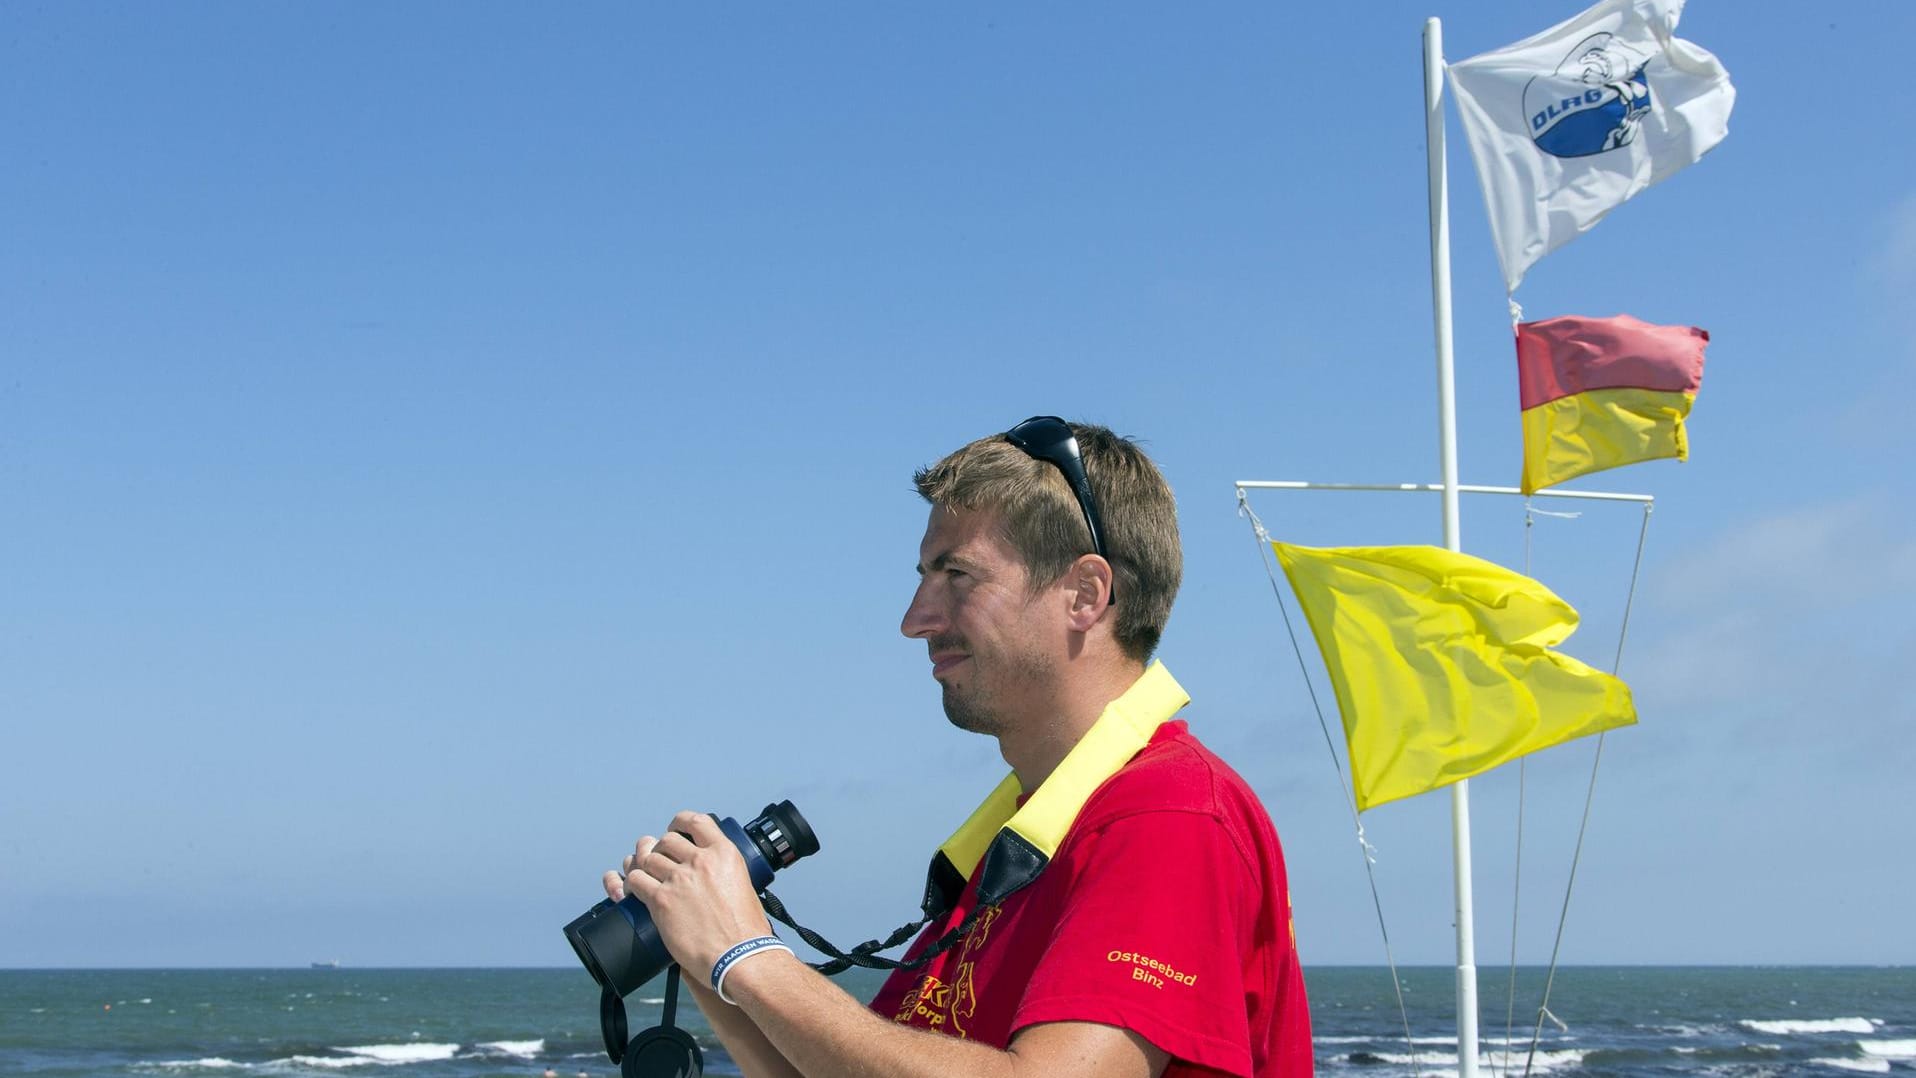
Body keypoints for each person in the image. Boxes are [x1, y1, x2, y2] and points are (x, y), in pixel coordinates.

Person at [603, 417, 1313, 1077]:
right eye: (922, 578)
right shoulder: (1016, 847)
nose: (916, 620)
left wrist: (749, 959)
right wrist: (701, 948)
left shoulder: (1171, 814)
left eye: (957, 575)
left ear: (1085, 594)